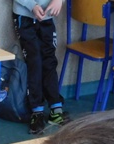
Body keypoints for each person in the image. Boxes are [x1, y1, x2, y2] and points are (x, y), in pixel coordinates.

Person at [12, 0, 71, 134]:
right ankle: (36, 111)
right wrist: (32, 6)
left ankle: (56, 109)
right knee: (34, 63)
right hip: (25, 17)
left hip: (47, 16)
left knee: (49, 61)